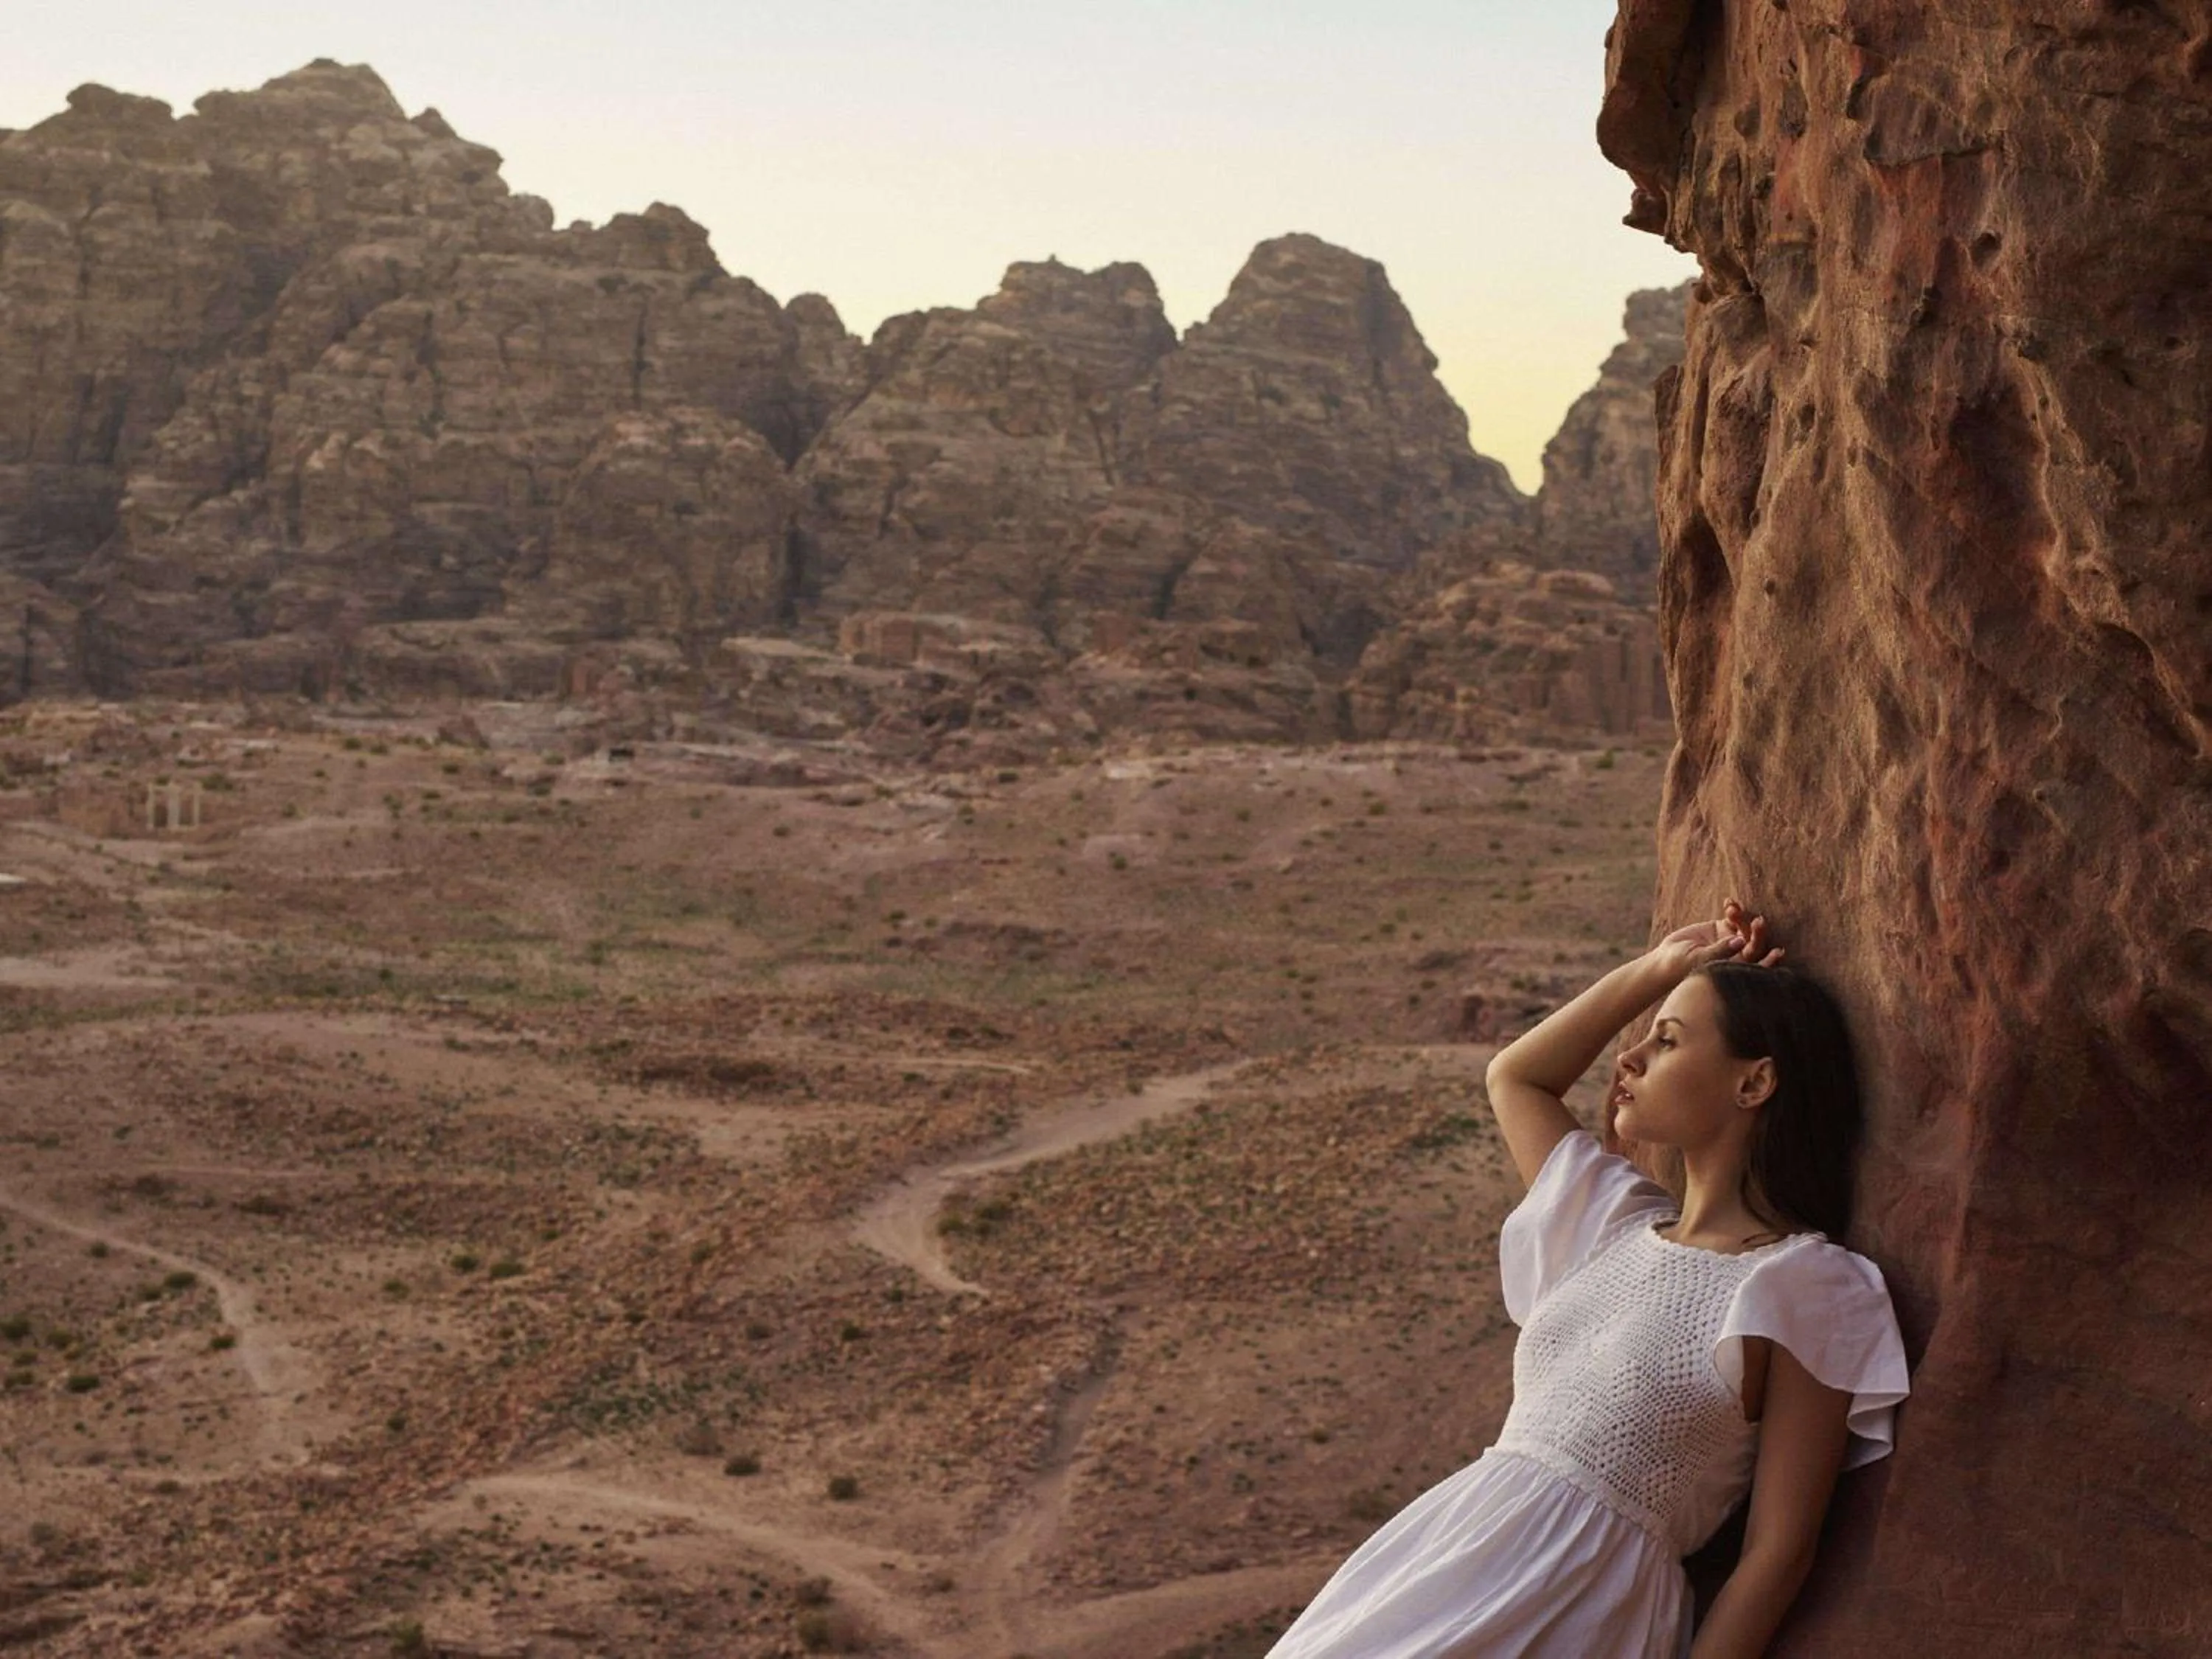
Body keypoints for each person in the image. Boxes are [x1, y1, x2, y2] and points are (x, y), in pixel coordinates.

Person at [1265, 902, 1910, 1659]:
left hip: (1578, 1607)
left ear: (1754, 1082)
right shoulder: (1608, 1222)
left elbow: (1776, 1556)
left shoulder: (1807, 1285)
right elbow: (1517, 1078)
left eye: (1666, 1042)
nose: (1628, 1062)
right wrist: (1662, 971)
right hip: (1442, 1564)